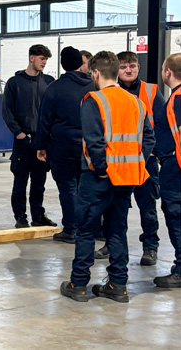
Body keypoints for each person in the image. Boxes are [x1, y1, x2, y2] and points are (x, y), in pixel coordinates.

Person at [61, 51, 156, 303]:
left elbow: (94, 142)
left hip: (98, 178)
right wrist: (134, 161)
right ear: (116, 71)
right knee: (117, 230)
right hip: (127, 177)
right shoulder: (137, 102)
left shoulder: (94, 100)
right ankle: (118, 285)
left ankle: (79, 283)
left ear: (95, 73)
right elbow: (148, 139)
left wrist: (103, 168)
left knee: (85, 230)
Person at [109, 51, 166, 265]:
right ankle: (112, 242)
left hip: (145, 161)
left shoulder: (151, 91)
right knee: (115, 207)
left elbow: (161, 124)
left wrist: (152, 151)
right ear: (116, 70)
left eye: (132, 65)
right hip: (118, 161)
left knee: (147, 207)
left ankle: (150, 246)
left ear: (138, 67)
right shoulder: (108, 93)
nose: (129, 70)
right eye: (123, 67)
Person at [35, 47, 93, 243]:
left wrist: (41, 146)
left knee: (67, 188)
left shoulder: (54, 88)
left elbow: (44, 120)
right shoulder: (94, 87)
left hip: (62, 146)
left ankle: (71, 229)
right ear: (80, 63)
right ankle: (88, 228)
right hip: (89, 147)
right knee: (85, 189)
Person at [2, 44, 56, 228]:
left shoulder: (49, 82)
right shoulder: (14, 83)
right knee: (20, 181)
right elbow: (7, 112)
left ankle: (38, 216)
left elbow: (52, 111)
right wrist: (18, 133)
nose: (44, 62)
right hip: (23, 141)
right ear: (31, 58)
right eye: (42, 58)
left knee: (39, 182)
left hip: (42, 141)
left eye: (46, 59)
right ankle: (20, 217)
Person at [153, 53, 181, 288]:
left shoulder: (179, 98)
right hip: (172, 163)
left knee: (176, 216)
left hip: (176, 167)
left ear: (168, 73)